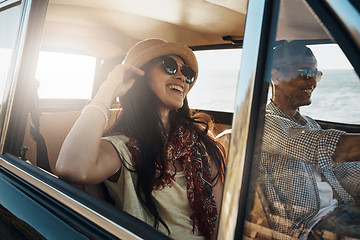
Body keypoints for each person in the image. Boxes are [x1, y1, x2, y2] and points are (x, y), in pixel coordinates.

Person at [55, 39, 226, 240]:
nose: (181, 77)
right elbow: (72, 167)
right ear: (139, 76)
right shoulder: (123, 148)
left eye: (187, 74)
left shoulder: (200, 146)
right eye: (169, 67)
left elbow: (220, 225)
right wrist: (108, 88)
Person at [260, 41, 360, 239]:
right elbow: (319, 146)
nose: (312, 81)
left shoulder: (309, 124)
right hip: (306, 228)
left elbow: (344, 169)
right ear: (275, 75)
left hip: (338, 213)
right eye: (305, 72)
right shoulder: (265, 123)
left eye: (316, 74)